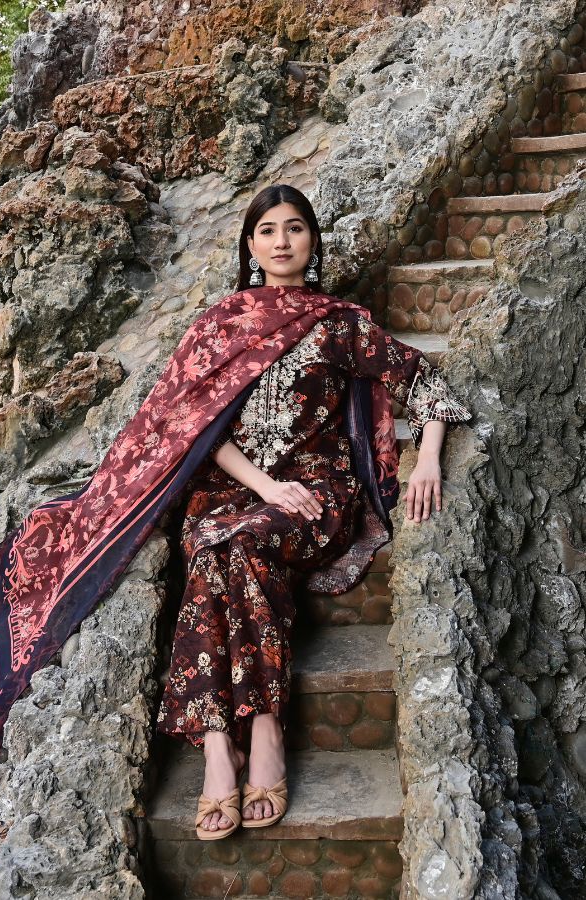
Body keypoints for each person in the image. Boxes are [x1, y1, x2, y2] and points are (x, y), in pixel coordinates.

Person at [154, 184, 472, 840]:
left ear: (312, 241)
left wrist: (433, 456)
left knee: (232, 548)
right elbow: (193, 424)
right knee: (215, 544)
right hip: (236, 491)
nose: (280, 241)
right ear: (250, 245)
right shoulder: (221, 325)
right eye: (267, 230)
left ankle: (260, 731)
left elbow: (425, 382)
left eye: (294, 228)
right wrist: (263, 488)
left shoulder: (340, 322)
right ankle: (222, 746)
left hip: (317, 493)